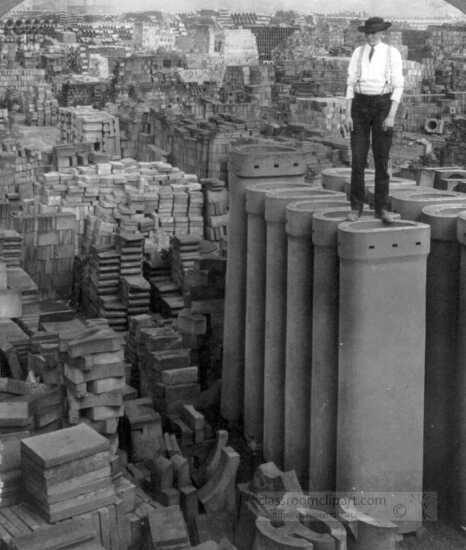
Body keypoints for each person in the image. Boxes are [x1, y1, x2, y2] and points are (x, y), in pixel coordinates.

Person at [345, 17, 404, 223]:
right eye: (368, 33)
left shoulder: (392, 53)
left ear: (382, 34)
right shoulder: (357, 52)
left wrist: (391, 116)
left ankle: (381, 208)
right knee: (358, 160)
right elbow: (350, 84)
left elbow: (398, 86)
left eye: (374, 33)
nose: (370, 36)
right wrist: (347, 114)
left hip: (382, 107)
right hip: (359, 108)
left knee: (381, 160)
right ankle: (356, 207)